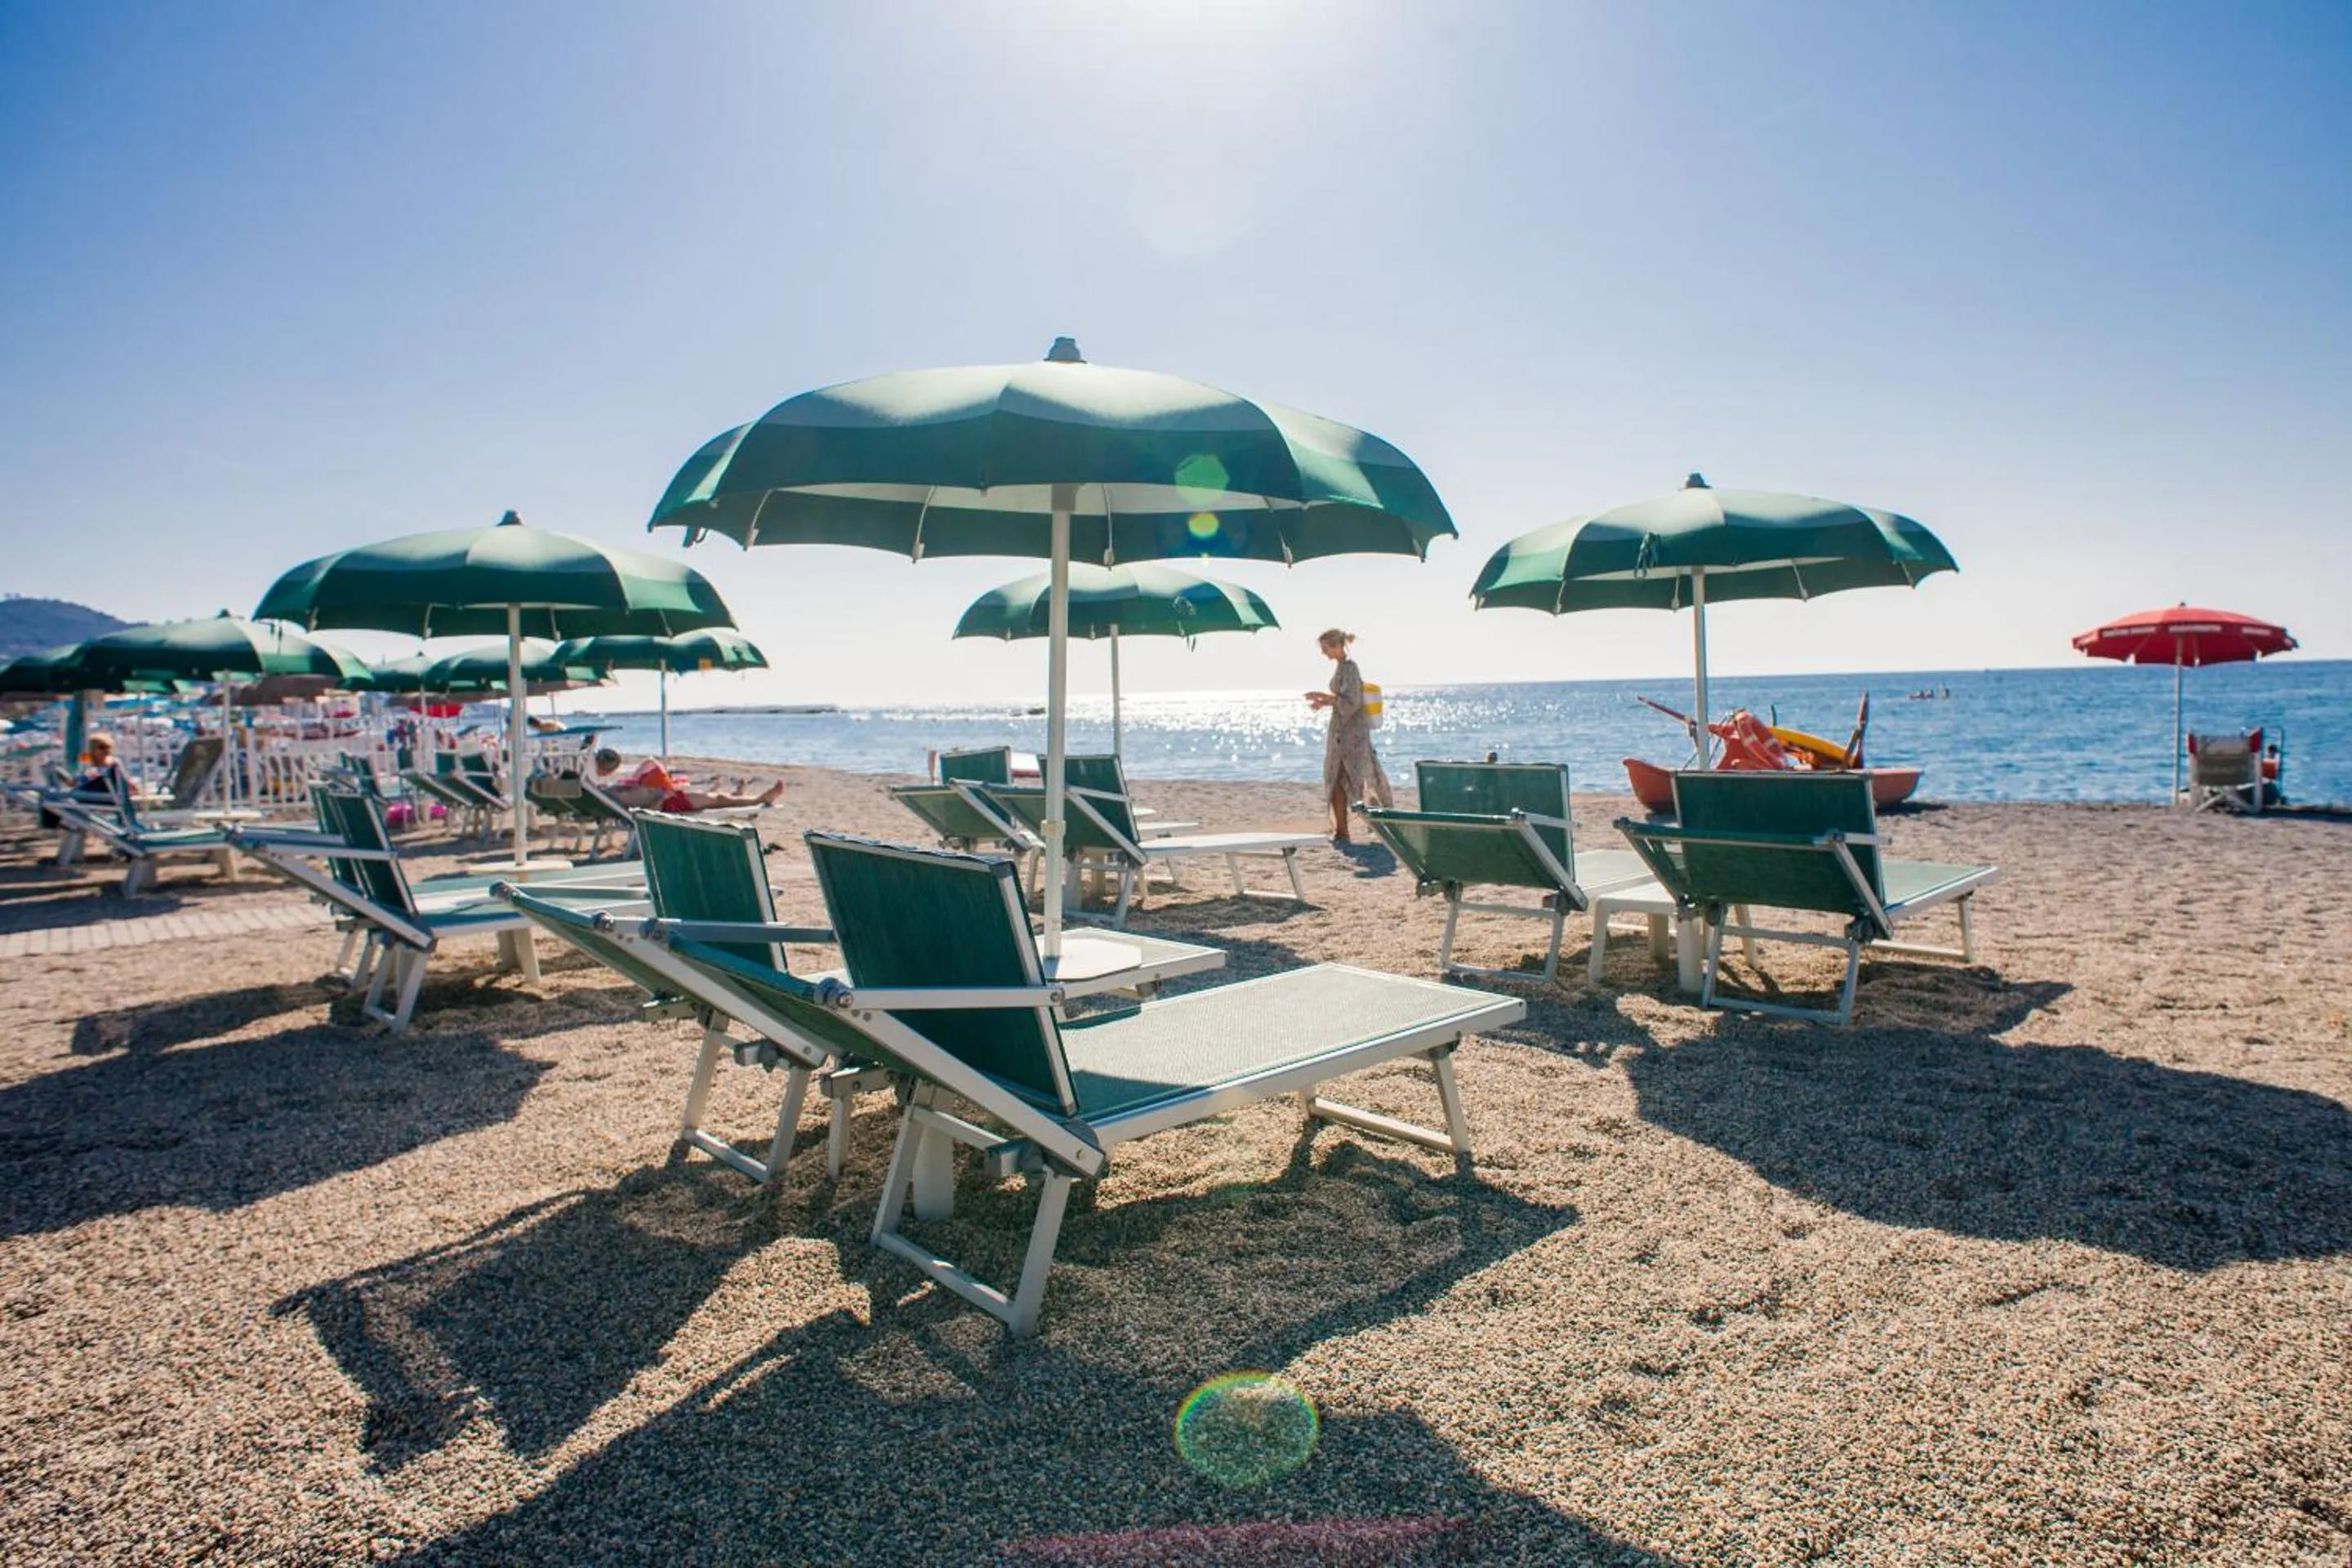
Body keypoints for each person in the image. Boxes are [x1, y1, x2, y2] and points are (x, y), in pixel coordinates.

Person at [1303, 628, 1392, 843]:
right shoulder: (1342, 668)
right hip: (1341, 731)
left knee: (1359, 778)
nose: (1324, 654)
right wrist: (1323, 702)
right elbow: (1343, 698)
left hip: (1352, 734)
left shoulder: (1350, 668)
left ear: (1337, 646)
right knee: (1337, 778)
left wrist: (1324, 697)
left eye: (1326, 649)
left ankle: (1376, 825)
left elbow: (1352, 701)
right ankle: (1342, 830)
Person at [589, 748, 782, 813]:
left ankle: (745, 797)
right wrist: (662, 795)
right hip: (669, 804)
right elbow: (648, 809)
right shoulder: (617, 795)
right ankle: (759, 800)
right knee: (716, 799)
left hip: (669, 798)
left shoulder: (607, 792)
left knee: (716, 798)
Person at [72, 733, 130, 801]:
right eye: (101, 747)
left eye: (107, 747)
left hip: (105, 796)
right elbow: (81, 776)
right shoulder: (87, 761)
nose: (106, 750)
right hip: (89, 795)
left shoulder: (113, 763)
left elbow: (125, 782)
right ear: (93, 750)